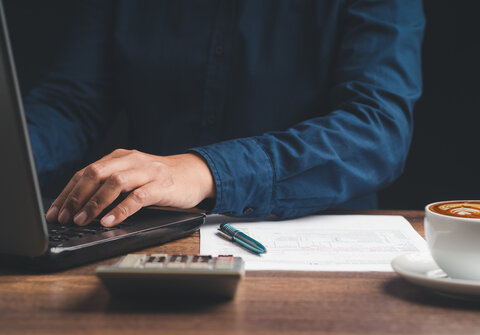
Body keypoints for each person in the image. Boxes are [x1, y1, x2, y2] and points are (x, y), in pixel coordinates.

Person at [25, 0, 424, 228]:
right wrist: (14, 156)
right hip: (152, 235)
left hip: (316, 241)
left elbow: (378, 131)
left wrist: (205, 171)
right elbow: (70, 104)